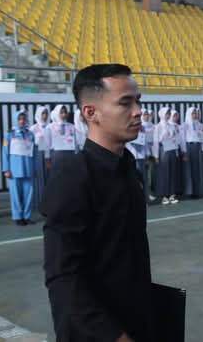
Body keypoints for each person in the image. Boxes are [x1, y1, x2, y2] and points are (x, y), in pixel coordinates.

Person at [41, 64, 152, 342]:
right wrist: (112, 335)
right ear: (91, 113)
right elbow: (63, 277)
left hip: (135, 319)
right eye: (125, 103)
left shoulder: (129, 169)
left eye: (138, 101)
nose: (138, 111)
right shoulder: (73, 176)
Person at [2, 110, 36, 226]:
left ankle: (27, 216)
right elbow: (4, 152)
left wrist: (34, 168)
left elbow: (34, 153)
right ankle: (18, 217)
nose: (22, 121)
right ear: (15, 120)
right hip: (14, 170)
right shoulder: (9, 134)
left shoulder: (30, 134)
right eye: (19, 119)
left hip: (28, 169)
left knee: (28, 194)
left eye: (23, 119)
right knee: (16, 195)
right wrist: (6, 169)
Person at [153, 107, 181, 205]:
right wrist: (156, 156)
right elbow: (156, 142)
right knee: (164, 173)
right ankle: (164, 196)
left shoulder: (172, 126)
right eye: (166, 114)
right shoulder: (158, 127)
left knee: (172, 172)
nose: (168, 115)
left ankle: (172, 194)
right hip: (163, 151)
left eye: (169, 113)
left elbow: (176, 139)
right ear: (162, 115)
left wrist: (176, 151)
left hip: (172, 150)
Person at [182, 106, 203, 198]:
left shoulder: (200, 125)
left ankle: (199, 191)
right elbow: (182, 139)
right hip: (189, 147)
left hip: (198, 147)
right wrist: (184, 151)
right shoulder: (185, 125)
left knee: (198, 169)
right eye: (193, 113)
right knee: (190, 170)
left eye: (196, 113)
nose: (195, 115)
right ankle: (190, 191)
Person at [29, 105, 51, 211]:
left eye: (46, 113)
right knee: (39, 178)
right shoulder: (33, 128)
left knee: (49, 178)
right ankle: (39, 203)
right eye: (43, 113)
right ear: (38, 114)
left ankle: (48, 203)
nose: (45, 116)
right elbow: (30, 144)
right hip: (37, 155)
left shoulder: (50, 127)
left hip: (48, 154)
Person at [141, 109, 157, 202]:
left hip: (152, 151)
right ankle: (145, 193)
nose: (147, 116)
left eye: (147, 114)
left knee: (151, 173)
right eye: (145, 114)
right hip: (143, 153)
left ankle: (150, 192)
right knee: (144, 174)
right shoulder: (140, 127)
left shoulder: (153, 126)